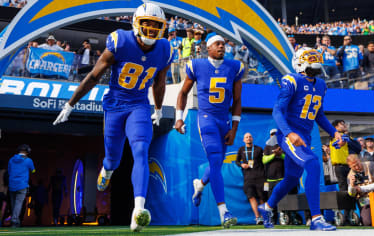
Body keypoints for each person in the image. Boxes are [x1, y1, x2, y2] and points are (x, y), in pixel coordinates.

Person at [53, 3, 172, 232]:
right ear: (136, 23)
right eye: (146, 23)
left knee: (140, 150)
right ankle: (106, 170)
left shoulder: (165, 49)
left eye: (155, 25)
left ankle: (138, 210)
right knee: (113, 159)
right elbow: (95, 75)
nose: (150, 29)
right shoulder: (120, 41)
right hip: (115, 105)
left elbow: (159, 81)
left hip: (139, 104)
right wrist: (70, 104)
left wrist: (157, 109)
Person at [257, 47, 342, 231]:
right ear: (300, 62)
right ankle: (316, 218)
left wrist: (334, 132)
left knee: (291, 179)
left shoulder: (320, 85)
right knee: (312, 164)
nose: (314, 60)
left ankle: (267, 207)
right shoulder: (292, 80)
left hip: (304, 136)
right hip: (289, 134)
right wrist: (288, 133)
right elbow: (277, 110)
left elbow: (319, 115)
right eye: (310, 58)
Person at [174, 34, 244, 228]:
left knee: (217, 164)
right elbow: (182, 92)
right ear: (209, 48)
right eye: (217, 44)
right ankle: (224, 211)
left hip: (224, 120)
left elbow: (237, 101)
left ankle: (200, 185)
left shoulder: (234, 67)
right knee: (215, 159)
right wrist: (179, 117)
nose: (222, 47)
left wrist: (234, 128)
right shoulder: (197, 65)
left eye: (223, 44)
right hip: (206, 118)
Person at [263, 129, 299, 225]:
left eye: (276, 134)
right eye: (272, 134)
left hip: (283, 178)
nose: (274, 136)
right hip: (271, 179)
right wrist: (274, 154)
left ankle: (289, 219)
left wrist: (281, 154)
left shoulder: (286, 145)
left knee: (287, 200)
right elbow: (264, 160)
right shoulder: (267, 147)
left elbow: (291, 157)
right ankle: (272, 220)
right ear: (270, 135)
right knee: (272, 200)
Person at [347, 155, 374, 226]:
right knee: (367, 222)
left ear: (359, 160)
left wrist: (362, 188)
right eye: (354, 166)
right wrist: (352, 186)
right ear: (349, 166)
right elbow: (351, 194)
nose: (357, 167)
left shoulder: (371, 165)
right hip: (364, 200)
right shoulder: (350, 175)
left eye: (358, 164)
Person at [235, 133, 265, 225]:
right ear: (244, 140)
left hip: (260, 177)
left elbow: (264, 162)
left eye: (250, 137)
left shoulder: (259, 149)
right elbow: (236, 161)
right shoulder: (241, 149)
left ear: (252, 138)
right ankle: (257, 218)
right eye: (246, 137)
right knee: (251, 197)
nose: (248, 138)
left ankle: (265, 217)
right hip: (248, 178)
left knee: (262, 198)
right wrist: (241, 165)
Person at [8, 144, 35, 227]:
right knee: (18, 204)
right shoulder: (28, 160)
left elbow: (9, 171)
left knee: (13, 204)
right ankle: (14, 220)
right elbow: (33, 171)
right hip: (22, 185)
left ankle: (16, 220)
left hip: (12, 184)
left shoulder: (11, 160)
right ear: (27, 151)